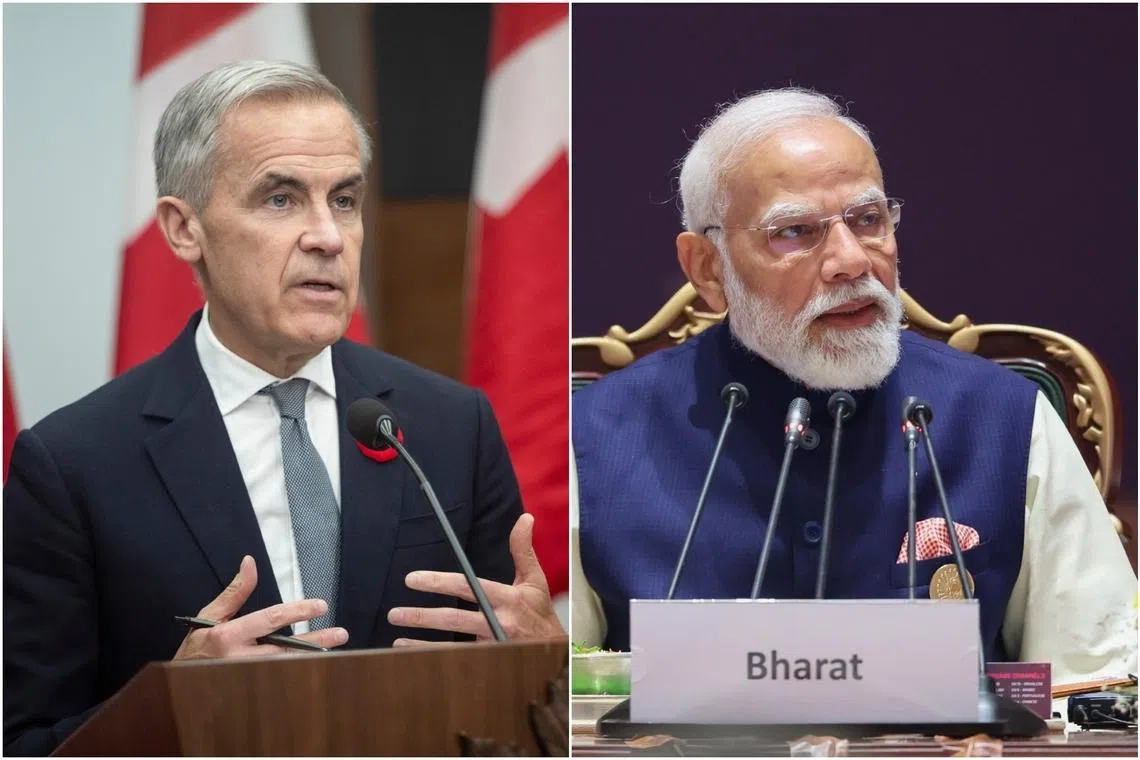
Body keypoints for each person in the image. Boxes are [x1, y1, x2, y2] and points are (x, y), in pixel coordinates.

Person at [4, 60, 563, 757]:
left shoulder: (452, 426)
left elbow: (522, 702)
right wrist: (174, 700)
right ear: (184, 229)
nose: (328, 236)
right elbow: (25, 742)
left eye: (346, 200)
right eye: (280, 199)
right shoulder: (73, 466)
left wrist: (550, 662)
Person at [572, 88, 1136, 688]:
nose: (851, 261)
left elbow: (1097, 685)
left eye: (868, 220)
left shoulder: (1005, 419)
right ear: (710, 270)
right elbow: (553, 701)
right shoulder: (594, 437)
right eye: (795, 232)